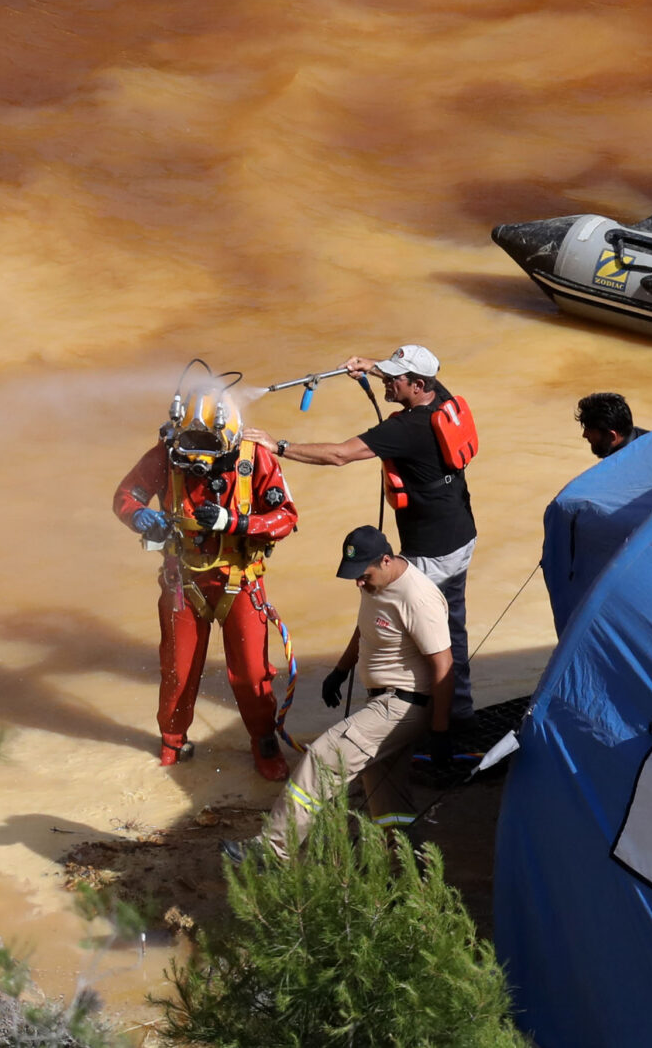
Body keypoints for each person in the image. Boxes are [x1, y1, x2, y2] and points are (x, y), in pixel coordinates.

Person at [256, 345, 480, 721]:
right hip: (460, 534)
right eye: (386, 375)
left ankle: (441, 720)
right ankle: (456, 710)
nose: (387, 382)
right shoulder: (440, 399)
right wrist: (372, 367)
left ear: (417, 384)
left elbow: (340, 454)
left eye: (394, 378)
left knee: (416, 630)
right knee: (448, 623)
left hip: (432, 550)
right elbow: (414, 377)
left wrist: (277, 446)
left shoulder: (407, 428)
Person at [113, 380, 299, 780]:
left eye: (208, 446)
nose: (198, 458)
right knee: (177, 671)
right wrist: (139, 516)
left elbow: (286, 518)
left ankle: (264, 741)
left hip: (239, 580)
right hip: (183, 582)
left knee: (251, 673)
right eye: (191, 445)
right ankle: (172, 741)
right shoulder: (166, 455)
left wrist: (237, 522)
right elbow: (125, 496)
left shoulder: (255, 459)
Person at [260, 526, 454, 851]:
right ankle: (408, 863)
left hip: (403, 706)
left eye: (364, 575)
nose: (359, 583)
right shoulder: (375, 585)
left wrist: (441, 731)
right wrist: (340, 670)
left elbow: (444, 666)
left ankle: (272, 849)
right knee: (387, 796)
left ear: (386, 560)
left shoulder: (417, 597)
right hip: (382, 700)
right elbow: (365, 627)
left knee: (324, 758)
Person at [576, 392, 645, 458]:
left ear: (611, 436)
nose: (584, 435)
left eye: (590, 430)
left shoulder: (624, 465)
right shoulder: (647, 438)